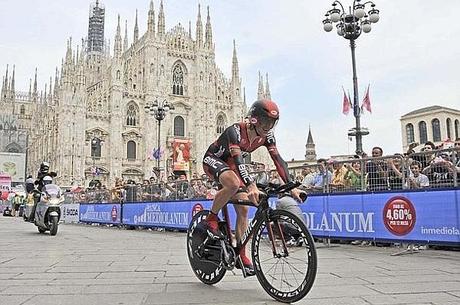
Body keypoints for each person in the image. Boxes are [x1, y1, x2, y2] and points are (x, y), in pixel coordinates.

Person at [202, 99, 303, 276]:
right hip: (214, 160)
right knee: (233, 183)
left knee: (243, 210)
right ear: (254, 119)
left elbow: (278, 161)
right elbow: (239, 160)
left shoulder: (268, 136)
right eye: (265, 122)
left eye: (272, 123)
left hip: (232, 167)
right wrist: (251, 185)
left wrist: (291, 187)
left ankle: (241, 253)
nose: (268, 126)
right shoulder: (236, 131)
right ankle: (211, 218)